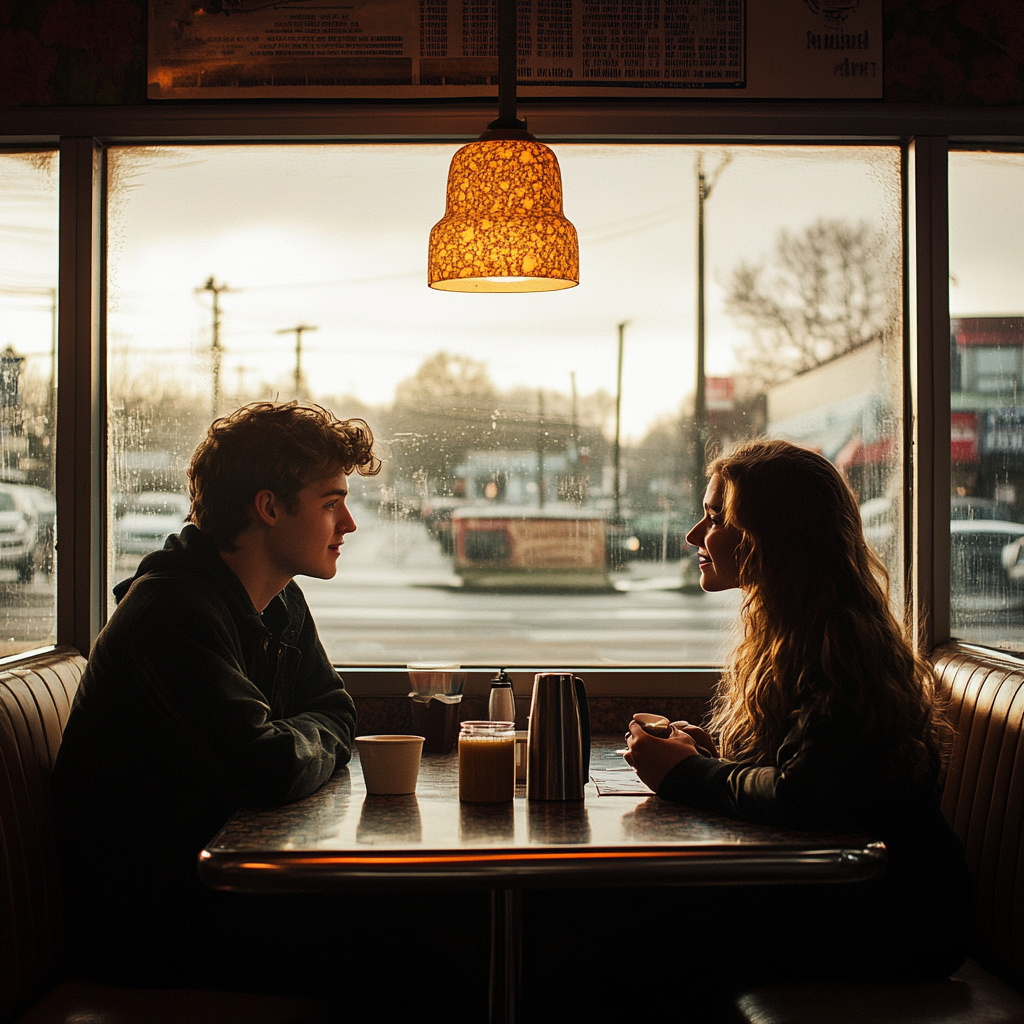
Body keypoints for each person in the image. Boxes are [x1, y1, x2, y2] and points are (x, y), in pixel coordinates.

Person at [51, 403, 384, 992]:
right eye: (332, 502)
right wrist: (300, 742)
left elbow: (337, 710)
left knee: (411, 929)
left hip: (205, 904)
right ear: (269, 507)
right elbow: (266, 767)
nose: (349, 524)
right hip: (149, 934)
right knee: (411, 941)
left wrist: (297, 738)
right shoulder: (171, 611)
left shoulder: (278, 600)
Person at [624, 438, 974, 984]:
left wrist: (686, 773)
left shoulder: (841, 642)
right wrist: (708, 755)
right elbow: (813, 766)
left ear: (771, 538)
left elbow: (802, 792)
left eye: (715, 517)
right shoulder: (800, 628)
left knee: (634, 930)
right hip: (856, 903)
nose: (695, 535)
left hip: (895, 922)